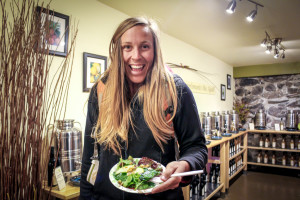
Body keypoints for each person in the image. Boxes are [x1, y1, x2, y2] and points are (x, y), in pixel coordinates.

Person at [80, 16, 208, 200]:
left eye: (145, 46)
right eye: (127, 47)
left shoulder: (175, 89)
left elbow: (196, 147)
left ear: (155, 50)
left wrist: (186, 164)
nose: (136, 56)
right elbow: (89, 157)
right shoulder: (101, 90)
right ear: (118, 51)